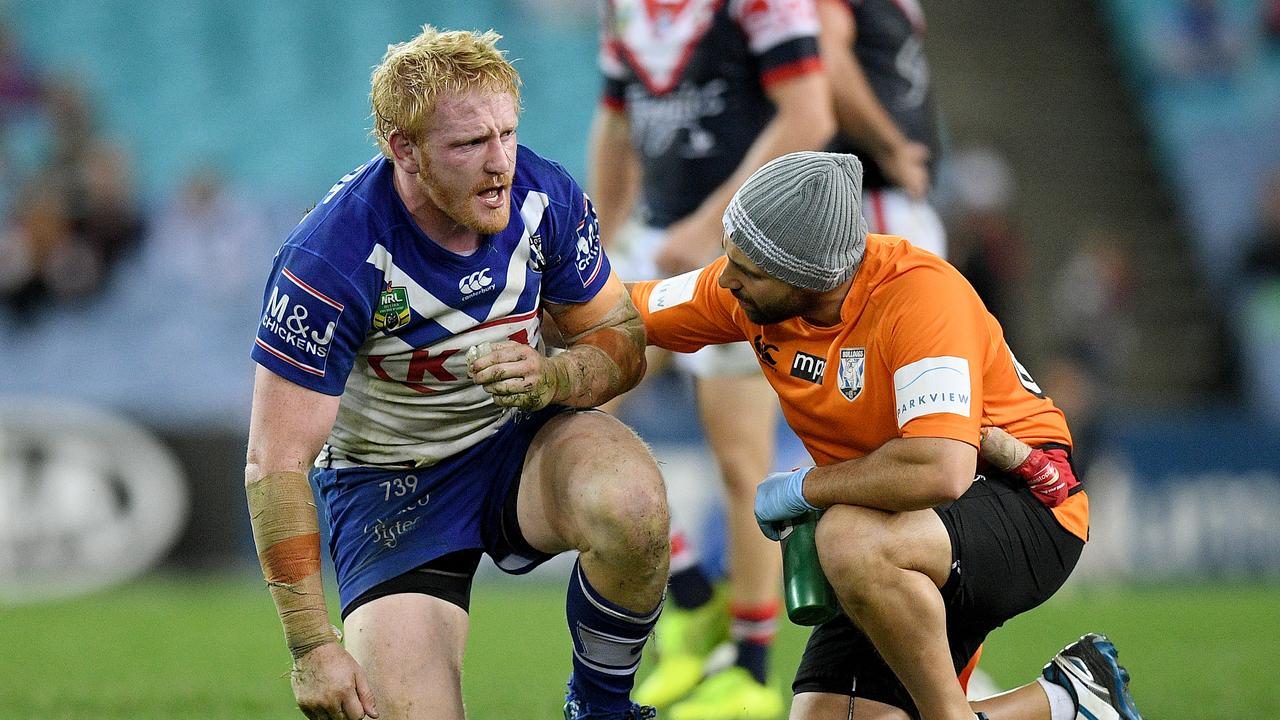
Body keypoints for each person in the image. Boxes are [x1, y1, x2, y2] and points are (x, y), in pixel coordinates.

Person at [245, 26, 669, 720]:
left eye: (506, 133)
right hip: (388, 485)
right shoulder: (329, 258)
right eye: (470, 144)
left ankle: (600, 708)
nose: (500, 162)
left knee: (635, 507)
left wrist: (555, 380)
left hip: (517, 442)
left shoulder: (544, 196)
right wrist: (310, 647)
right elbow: (274, 461)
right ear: (402, 148)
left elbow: (620, 340)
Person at [629, 151, 1143, 720]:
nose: (726, 280)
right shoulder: (754, 290)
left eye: (747, 271)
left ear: (807, 276)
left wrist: (806, 489)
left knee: (848, 538)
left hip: (1026, 499)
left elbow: (941, 469)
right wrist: (529, 307)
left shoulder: (919, 296)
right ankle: (1071, 700)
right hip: (903, 523)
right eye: (730, 259)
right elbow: (626, 311)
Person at [589, 2, 835, 716]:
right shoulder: (621, 8)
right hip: (653, 241)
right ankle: (691, 591)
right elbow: (616, 120)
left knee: (740, 461)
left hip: (744, 253)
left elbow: (809, 117)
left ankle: (750, 673)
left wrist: (713, 226)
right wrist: (597, 245)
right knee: (568, 411)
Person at [816, 0, 946, 259]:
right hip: (873, 188)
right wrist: (892, 148)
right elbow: (830, 61)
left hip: (899, 191)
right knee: (902, 295)